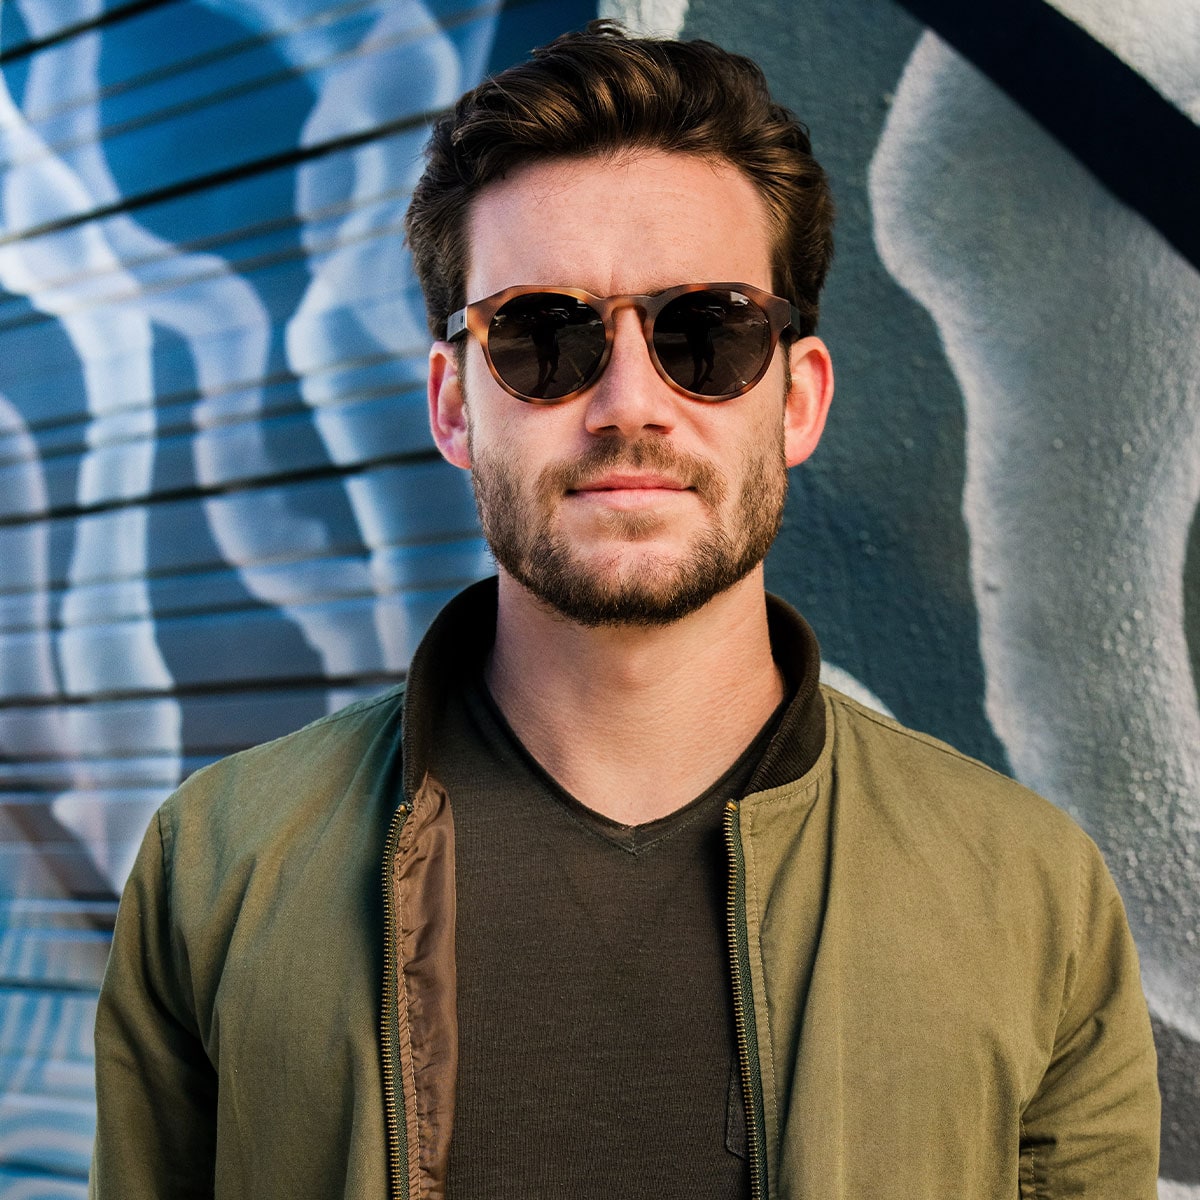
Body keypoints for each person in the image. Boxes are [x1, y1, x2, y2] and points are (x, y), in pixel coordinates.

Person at [88, 20, 1161, 1200]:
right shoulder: (222, 867)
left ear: (797, 400)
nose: (629, 403)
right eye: (545, 337)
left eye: (707, 332)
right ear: (453, 405)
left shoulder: (1028, 895)